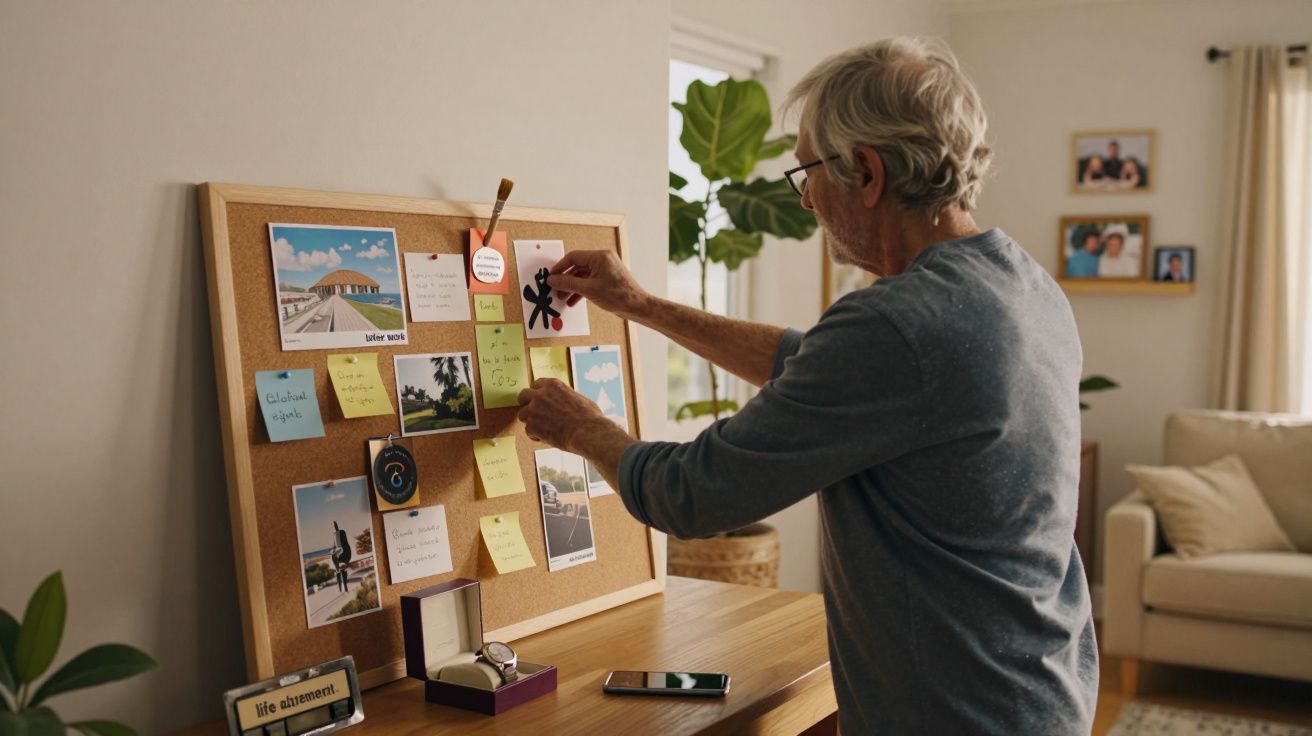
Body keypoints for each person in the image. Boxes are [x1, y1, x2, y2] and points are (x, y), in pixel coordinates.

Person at [517, 37, 1096, 734]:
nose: (807, 200)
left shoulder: (897, 325)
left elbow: (690, 494)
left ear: (867, 172)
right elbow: (814, 365)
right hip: (1039, 690)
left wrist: (582, 428)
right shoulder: (1021, 284)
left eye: (807, 172)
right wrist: (644, 306)